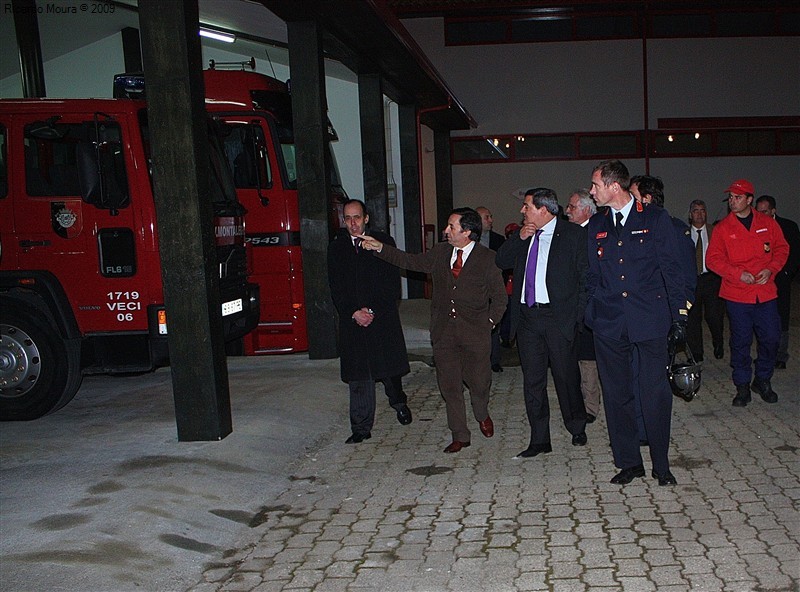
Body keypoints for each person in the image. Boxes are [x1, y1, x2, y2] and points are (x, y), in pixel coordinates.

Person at [360, 208, 507, 453]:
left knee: (479, 384)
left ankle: (481, 413)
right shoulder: (440, 252)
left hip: (476, 335)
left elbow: (500, 299)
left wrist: (489, 324)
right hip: (444, 333)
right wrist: (380, 248)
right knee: (449, 386)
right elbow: (411, 261)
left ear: (467, 232)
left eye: (451, 226)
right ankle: (460, 434)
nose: (445, 230)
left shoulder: (488, 258)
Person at [586, 160, 690, 486]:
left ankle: (661, 465)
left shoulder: (655, 219)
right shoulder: (596, 225)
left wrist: (679, 318)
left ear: (614, 186)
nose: (592, 191)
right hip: (610, 324)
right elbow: (591, 276)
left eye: (596, 185)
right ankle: (629, 462)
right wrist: (592, 312)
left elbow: (672, 272)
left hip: (649, 321)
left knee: (654, 393)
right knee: (617, 395)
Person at [496, 188, 588, 458]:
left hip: (557, 318)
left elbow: (585, 278)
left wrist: (576, 317)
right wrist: (518, 239)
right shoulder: (523, 235)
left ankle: (576, 425)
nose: (523, 211)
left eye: (527, 207)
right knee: (532, 381)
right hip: (528, 318)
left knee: (565, 376)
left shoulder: (573, 235)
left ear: (544, 210)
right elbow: (500, 261)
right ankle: (539, 439)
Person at [327, 199, 412, 444]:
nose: (352, 224)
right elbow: (336, 287)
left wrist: (372, 310)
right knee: (359, 376)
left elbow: (391, 285)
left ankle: (399, 403)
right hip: (353, 321)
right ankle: (361, 427)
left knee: (388, 371)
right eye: (347, 218)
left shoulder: (382, 242)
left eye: (356, 218)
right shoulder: (337, 248)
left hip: (381, 319)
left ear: (366, 218)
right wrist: (353, 311)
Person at [706, 181, 789, 406]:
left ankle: (762, 378)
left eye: (738, 197)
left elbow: (782, 248)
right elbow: (712, 259)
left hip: (765, 292)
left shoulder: (767, 223)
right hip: (738, 294)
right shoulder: (723, 228)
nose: (733, 201)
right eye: (731, 197)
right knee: (740, 341)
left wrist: (771, 269)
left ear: (749, 199)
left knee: (771, 337)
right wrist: (736, 273)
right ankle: (742, 385)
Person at [565, 189, 602, 424]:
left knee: (588, 358)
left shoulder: (595, 233)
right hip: (571, 305)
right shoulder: (570, 233)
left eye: (572, 207)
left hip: (590, 305)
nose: (567, 211)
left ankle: (590, 406)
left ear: (586, 210)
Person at [754, 195, 800, 370]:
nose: (761, 215)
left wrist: (787, 273)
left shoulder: (788, 227)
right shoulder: (753, 227)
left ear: (773, 211)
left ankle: (781, 354)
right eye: (758, 211)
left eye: (764, 211)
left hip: (780, 279)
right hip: (760, 281)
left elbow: (795, 253)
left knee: (781, 316)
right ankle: (763, 355)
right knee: (761, 318)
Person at [686, 199, 725, 362]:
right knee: (693, 318)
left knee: (714, 316)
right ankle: (697, 353)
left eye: (703, 210)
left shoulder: (715, 231)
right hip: (693, 280)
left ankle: (718, 341)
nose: (699, 214)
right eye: (696, 210)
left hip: (712, 279)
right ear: (690, 214)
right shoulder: (684, 233)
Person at [476, 206, 508, 372]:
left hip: (493, 289)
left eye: (490, 216)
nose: (491, 220)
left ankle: (494, 360)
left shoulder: (498, 240)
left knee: (494, 324)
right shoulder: (470, 239)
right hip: (475, 291)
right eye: (486, 217)